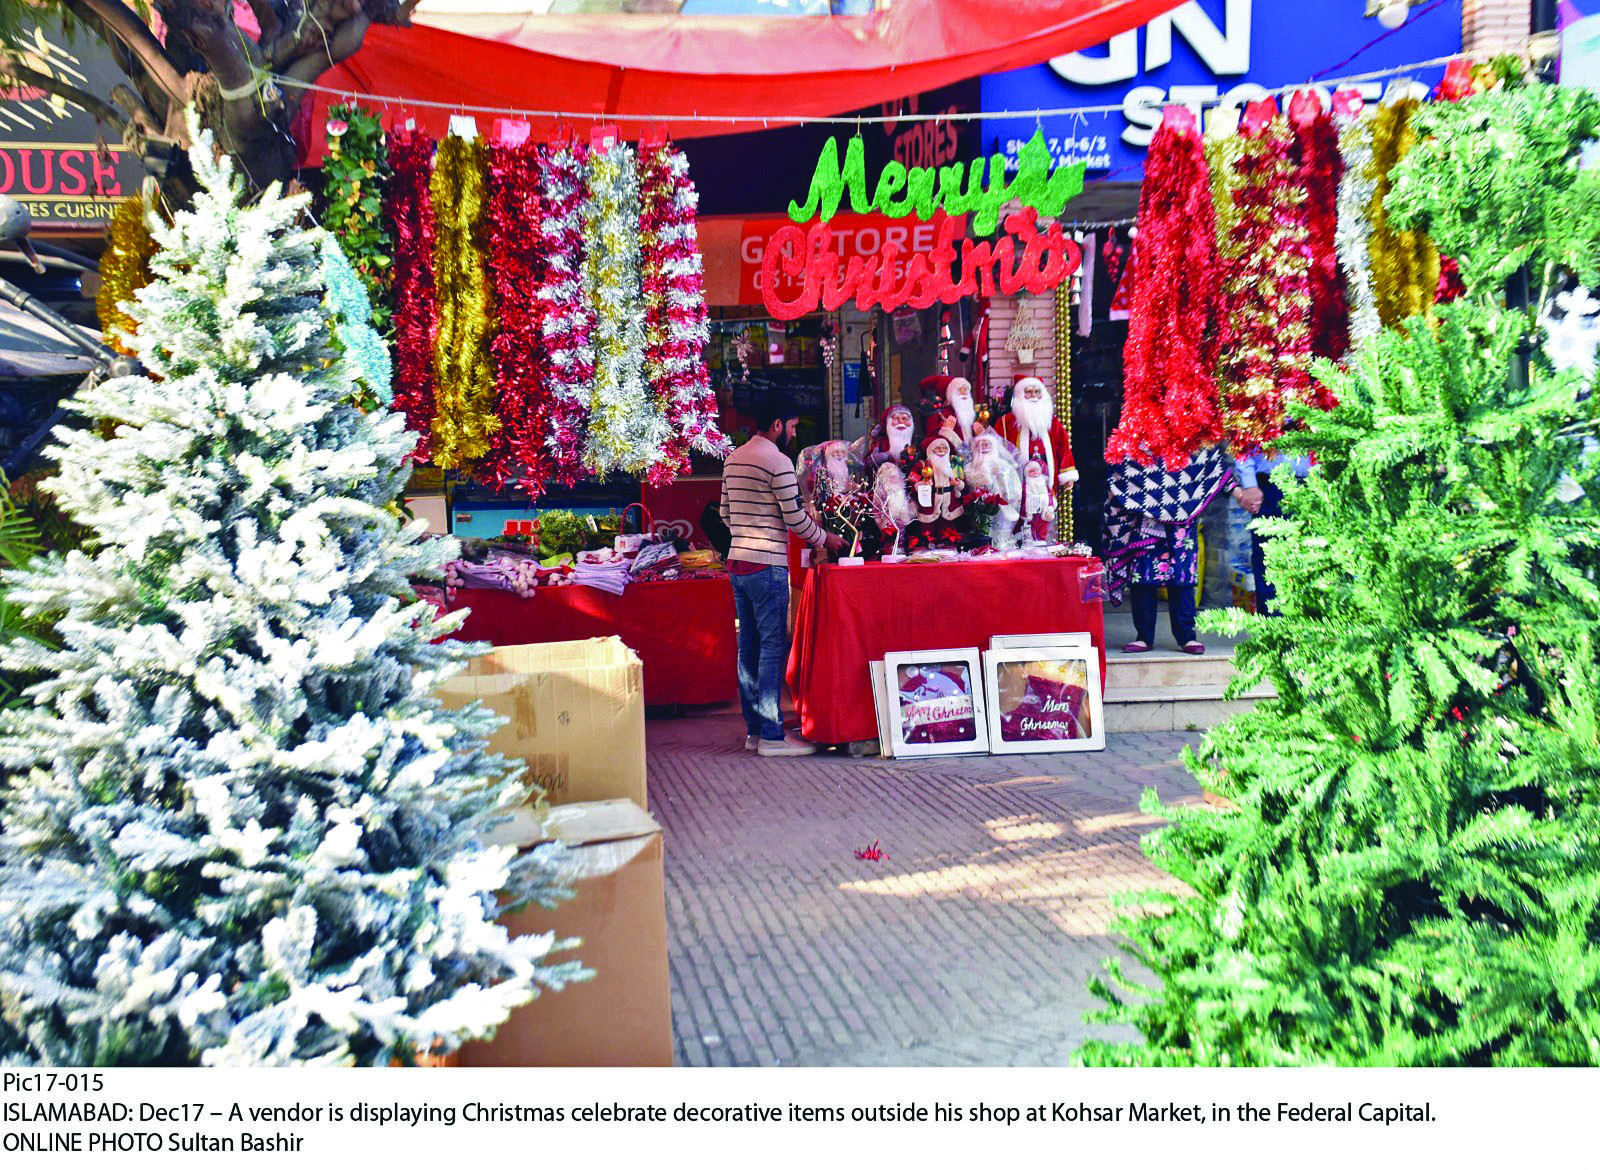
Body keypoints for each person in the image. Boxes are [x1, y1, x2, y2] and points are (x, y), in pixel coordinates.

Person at [721, 394, 845, 756]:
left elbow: (726, 515)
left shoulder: (733, 459)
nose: (792, 432)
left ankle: (755, 731)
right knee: (772, 649)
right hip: (767, 564)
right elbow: (795, 520)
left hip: (738, 564)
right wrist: (827, 538)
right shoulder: (778, 462)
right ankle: (773, 735)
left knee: (749, 648)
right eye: (791, 426)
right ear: (777, 425)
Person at [994, 377, 1076, 538]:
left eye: (1037, 392)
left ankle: (1040, 546)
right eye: (1028, 392)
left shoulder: (1052, 423)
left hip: (1045, 483)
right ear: (1019, 395)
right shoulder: (1005, 422)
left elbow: (1064, 448)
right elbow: (998, 451)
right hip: (1018, 484)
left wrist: (1067, 476)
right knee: (1018, 523)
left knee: (1043, 517)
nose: (1033, 396)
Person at [1232, 449, 1312, 616]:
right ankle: (1273, 629)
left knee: (1312, 560)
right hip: (1270, 485)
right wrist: (1249, 484)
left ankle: (1308, 631)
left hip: (1312, 483)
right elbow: (1241, 436)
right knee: (1269, 560)